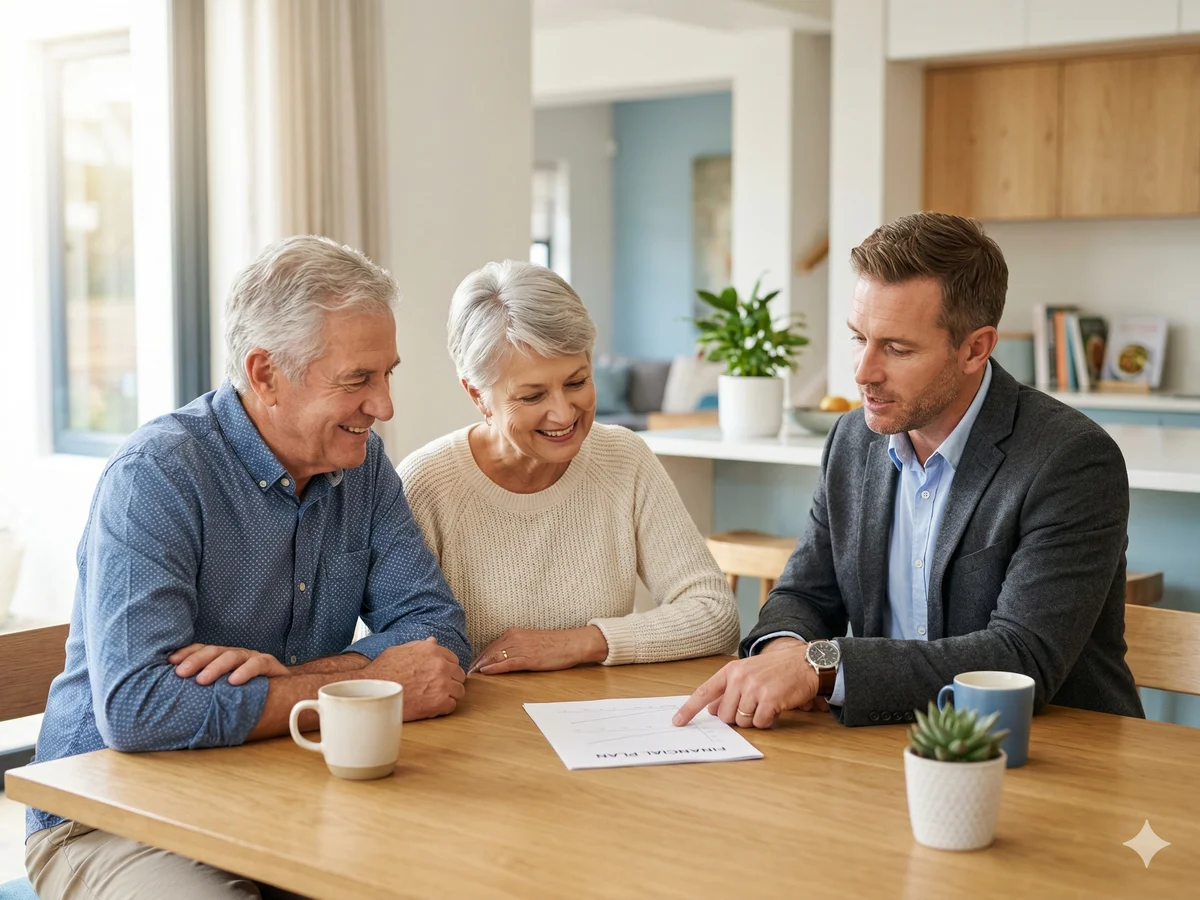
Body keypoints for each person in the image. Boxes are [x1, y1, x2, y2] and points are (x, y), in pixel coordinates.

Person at [25, 235, 471, 899]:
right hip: (111, 815)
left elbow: (436, 634)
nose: (384, 406)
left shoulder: (364, 467)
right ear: (264, 375)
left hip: (284, 783)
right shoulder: (157, 477)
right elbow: (137, 709)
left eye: (387, 374)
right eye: (357, 380)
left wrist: (287, 680)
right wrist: (368, 681)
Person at [674, 212, 1143, 731]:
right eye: (859, 338)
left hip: (1056, 753)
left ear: (975, 348)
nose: (863, 372)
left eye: (896, 348)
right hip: (887, 743)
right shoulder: (852, 441)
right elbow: (805, 594)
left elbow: (1019, 658)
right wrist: (785, 651)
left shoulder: (1071, 460)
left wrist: (820, 666)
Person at [399, 260, 740, 674]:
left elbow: (716, 614)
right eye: (532, 396)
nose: (563, 414)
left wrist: (581, 643)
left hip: (599, 721)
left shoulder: (624, 458)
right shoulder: (427, 485)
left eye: (576, 382)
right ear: (477, 396)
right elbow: (400, 660)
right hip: (479, 728)